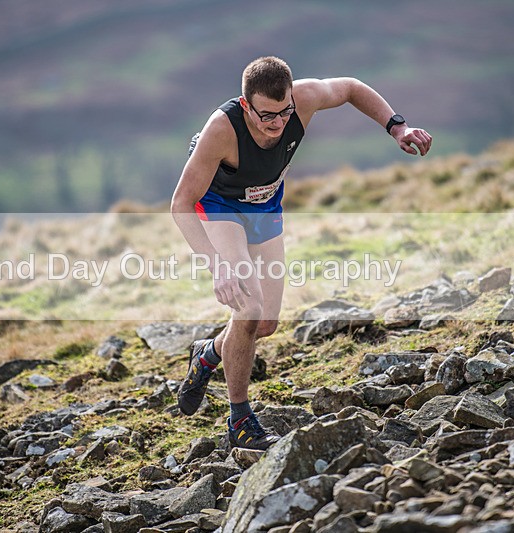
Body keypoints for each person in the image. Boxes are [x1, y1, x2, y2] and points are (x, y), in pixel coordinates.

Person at [172, 56, 432, 450]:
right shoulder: (220, 131)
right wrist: (218, 266)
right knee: (248, 306)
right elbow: (180, 203)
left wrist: (397, 126)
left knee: (264, 324)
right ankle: (240, 421)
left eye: (284, 113)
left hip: (265, 204)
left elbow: (350, 87)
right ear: (246, 106)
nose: (277, 124)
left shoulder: (304, 98)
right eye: (266, 116)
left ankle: (208, 355)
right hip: (220, 204)